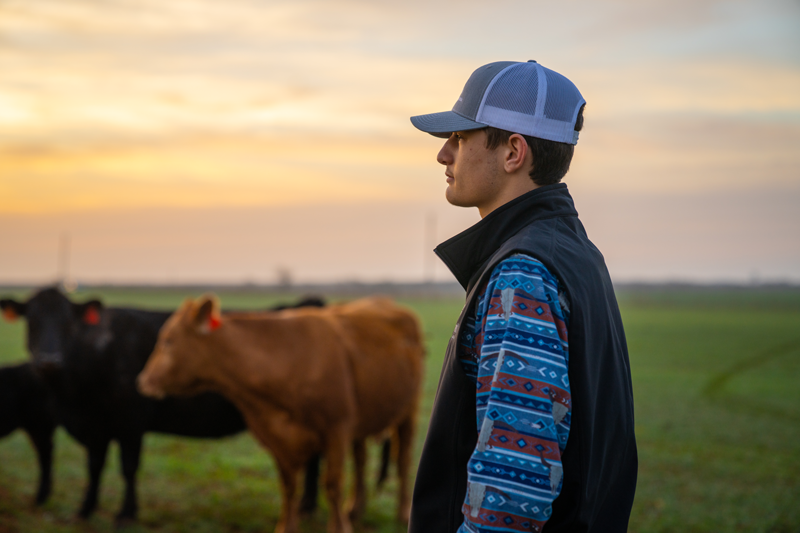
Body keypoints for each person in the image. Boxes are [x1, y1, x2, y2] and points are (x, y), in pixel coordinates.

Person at [407, 61, 637, 533]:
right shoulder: (573, 252)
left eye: (460, 138)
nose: (443, 156)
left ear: (513, 152)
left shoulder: (523, 273)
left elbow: (513, 492)